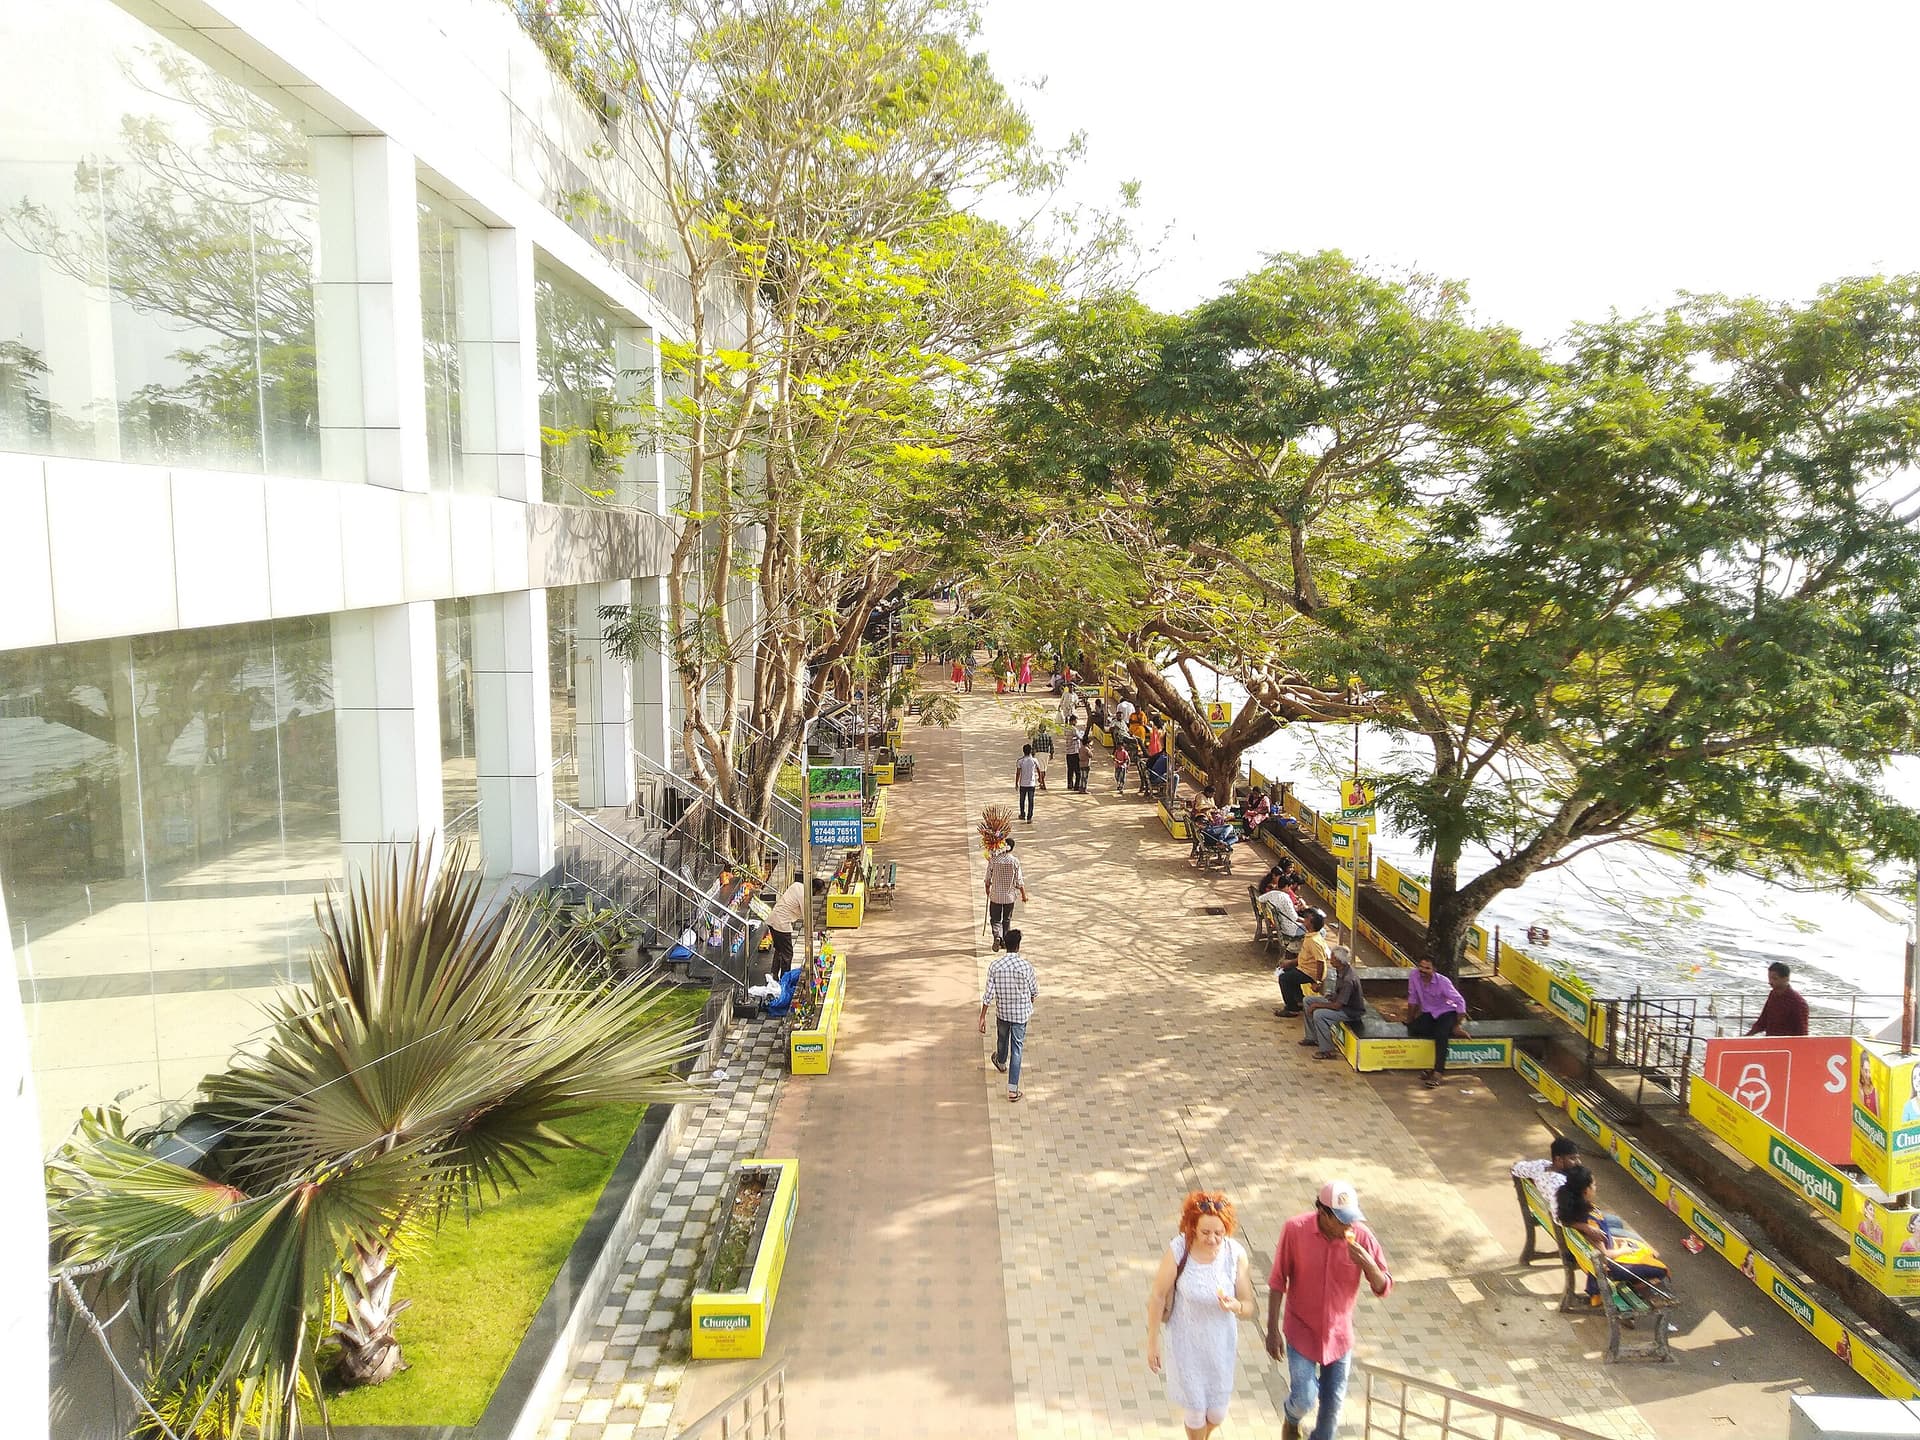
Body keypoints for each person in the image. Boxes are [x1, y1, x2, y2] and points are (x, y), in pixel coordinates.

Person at [1266, 1179, 1391, 1440]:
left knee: (1331, 1413)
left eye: (1352, 1219)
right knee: (1304, 1398)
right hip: (1301, 1331)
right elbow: (1278, 1279)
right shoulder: (1295, 1229)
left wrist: (1369, 1264)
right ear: (1323, 1213)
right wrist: (1272, 1330)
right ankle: (1291, 1417)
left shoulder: (1362, 1238)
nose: (1349, 1225)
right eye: (1342, 1219)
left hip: (1339, 1338)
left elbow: (1383, 1286)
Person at [1146, 1191, 1256, 1440]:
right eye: (1206, 1232)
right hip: (1186, 1345)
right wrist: (1152, 1341)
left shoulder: (1234, 1254)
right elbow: (1157, 1296)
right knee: (1195, 1413)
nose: (1213, 1239)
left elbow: (1249, 1305)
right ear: (1192, 1227)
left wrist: (1236, 1306)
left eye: (1219, 1232)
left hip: (1220, 1346)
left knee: (1216, 1414)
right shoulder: (1178, 1250)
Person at [1555, 1166, 1669, 1301]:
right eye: (1594, 1185)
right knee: (1662, 1270)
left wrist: (1618, 1242)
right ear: (1586, 1191)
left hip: (1591, 1260)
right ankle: (1633, 1288)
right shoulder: (1590, 1223)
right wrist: (1624, 1249)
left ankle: (1635, 1281)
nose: (1596, 1187)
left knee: (1644, 1251)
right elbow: (1605, 1256)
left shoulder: (1572, 1212)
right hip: (1608, 1268)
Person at [978, 927, 1037, 1101]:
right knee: (1017, 1048)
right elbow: (1034, 990)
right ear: (1018, 946)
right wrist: (1028, 1003)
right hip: (1020, 1015)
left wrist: (982, 1016)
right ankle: (1012, 1090)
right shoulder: (1026, 966)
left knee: (1002, 1039)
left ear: (1005, 945)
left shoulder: (995, 966)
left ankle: (1001, 1061)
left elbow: (988, 994)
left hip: (1003, 1012)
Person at [1405, 954, 1473, 1089]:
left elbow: (1460, 1002)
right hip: (1429, 1012)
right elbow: (1412, 998)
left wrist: (1457, 1024)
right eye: (1421, 967)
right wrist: (1410, 1020)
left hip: (1446, 1011)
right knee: (1415, 1029)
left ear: (1434, 970)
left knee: (1441, 1035)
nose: (1423, 971)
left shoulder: (1443, 982)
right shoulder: (1414, 976)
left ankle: (1438, 1072)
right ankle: (1448, 1032)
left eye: (1427, 968)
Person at [1301, 945, 1363, 1059]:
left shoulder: (1348, 979)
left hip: (1349, 1011)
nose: (1330, 959)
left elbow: (1338, 1005)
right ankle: (1312, 1037)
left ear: (1339, 960)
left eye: (1333, 958)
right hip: (1339, 1002)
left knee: (1319, 1015)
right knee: (1307, 1001)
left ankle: (1327, 1050)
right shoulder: (1341, 970)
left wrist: (1317, 1005)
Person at [1275, 910, 1327, 1016]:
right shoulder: (1310, 936)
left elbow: (1320, 961)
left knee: (1284, 979)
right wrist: (1289, 963)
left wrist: (1317, 981)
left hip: (1310, 973)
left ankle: (1291, 1008)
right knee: (1287, 971)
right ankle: (1298, 1000)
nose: (1305, 920)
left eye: (1307, 919)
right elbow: (1303, 957)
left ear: (1311, 924)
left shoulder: (1314, 941)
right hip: (1304, 968)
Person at [1747, 961, 1809, 1036]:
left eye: (1774, 978)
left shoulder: (1798, 1003)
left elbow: (1802, 1034)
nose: (1770, 982)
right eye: (1769, 978)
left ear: (1786, 979)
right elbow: (1762, 1021)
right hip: (1770, 1041)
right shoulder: (1773, 994)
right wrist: (1746, 1037)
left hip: (1786, 1044)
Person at [985, 839, 1028, 947]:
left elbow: (987, 878)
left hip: (995, 896)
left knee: (995, 919)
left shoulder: (993, 860)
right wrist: (1023, 895)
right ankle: (1004, 941)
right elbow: (1019, 881)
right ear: (1012, 848)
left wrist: (987, 889)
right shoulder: (1015, 861)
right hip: (1009, 897)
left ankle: (996, 936)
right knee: (1007, 919)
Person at [766, 875, 806, 972]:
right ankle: (785, 978)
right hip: (782, 924)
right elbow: (807, 915)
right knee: (787, 954)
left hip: (773, 918)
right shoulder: (804, 896)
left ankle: (774, 974)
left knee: (779, 950)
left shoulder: (796, 885)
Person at [1015, 743, 1040, 822]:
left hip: (1023, 783)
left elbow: (1018, 773)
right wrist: (1040, 779)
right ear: (1030, 751)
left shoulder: (1020, 761)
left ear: (1023, 751)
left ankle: (1022, 814)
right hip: (1031, 784)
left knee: (1022, 800)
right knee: (1031, 800)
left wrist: (1016, 783)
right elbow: (1039, 770)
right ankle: (1029, 817)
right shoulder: (1034, 760)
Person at [1064, 726, 1084, 794]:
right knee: (1077, 770)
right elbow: (1080, 737)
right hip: (1075, 752)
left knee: (1070, 769)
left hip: (1068, 752)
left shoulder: (1066, 729)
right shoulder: (1074, 729)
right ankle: (1077, 786)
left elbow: (1070, 738)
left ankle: (1070, 784)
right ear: (1073, 721)